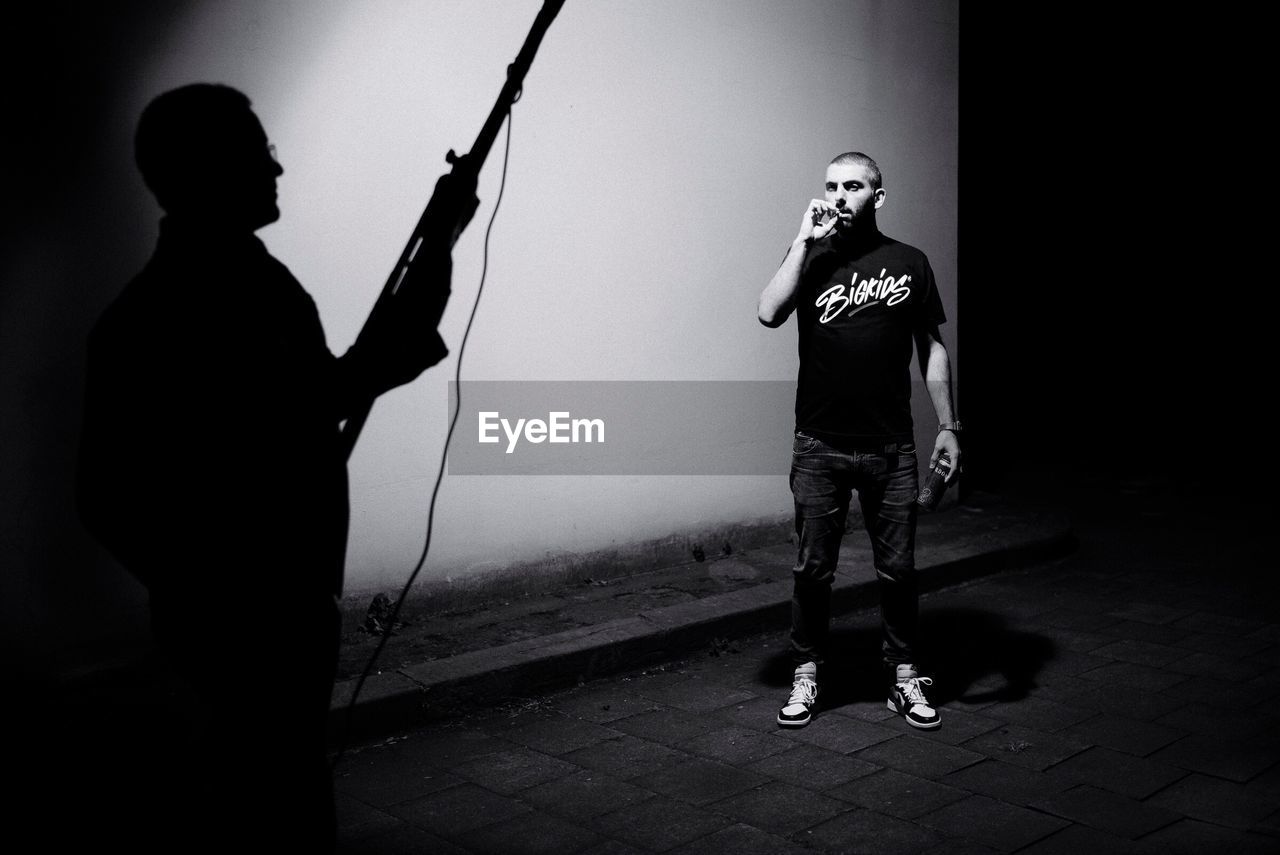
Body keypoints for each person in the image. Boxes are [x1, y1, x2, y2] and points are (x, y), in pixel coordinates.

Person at [76, 83, 477, 852]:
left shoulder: (253, 285)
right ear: (210, 168)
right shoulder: (160, 316)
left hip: (278, 609)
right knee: (266, 799)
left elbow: (344, 382)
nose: (278, 167)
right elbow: (104, 495)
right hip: (244, 624)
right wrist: (213, 586)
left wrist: (440, 240)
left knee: (286, 786)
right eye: (259, 153)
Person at [757, 151, 960, 730]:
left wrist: (948, 425)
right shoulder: (812, 256)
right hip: (818, 444)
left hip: (891, 447)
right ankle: (807, 675)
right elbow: (769, 312)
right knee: (811, 570)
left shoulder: (909, 262)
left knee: (898, 571)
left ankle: (903, 677)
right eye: (830, 185)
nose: (839, 195)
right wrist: (802, 239)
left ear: (878, 195)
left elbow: (933, 346)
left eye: (853, 185)